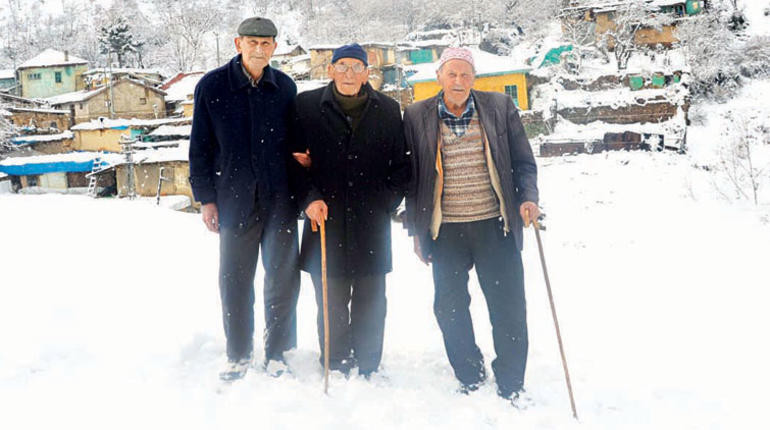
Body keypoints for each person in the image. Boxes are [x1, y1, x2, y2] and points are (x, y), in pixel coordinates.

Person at [403, 47, 541, 402]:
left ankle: (511, 380)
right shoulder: (417, 115)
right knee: (448, 307)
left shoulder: (498, 107)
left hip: (496, 226)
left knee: (508, 305)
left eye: (466, 75)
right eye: (452, 74)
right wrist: (417, 231)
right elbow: (412, 177)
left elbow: (524, 162)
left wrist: (528, 198)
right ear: (439, 78)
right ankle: (469, 372)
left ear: (474, 78)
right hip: (445, 229)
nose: (459, 81)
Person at [188, 17, 300, 381]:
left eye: (266, 43)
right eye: (252, 42)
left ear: (275, 47)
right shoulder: (213, 86)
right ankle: (238, 353)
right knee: (235, 279)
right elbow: (200, 147)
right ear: (238, 44)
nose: (259, 49)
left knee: (282, 278)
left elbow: (294, 145)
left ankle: (279, 351)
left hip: (279, 198)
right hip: (233, 198)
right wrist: (206, 198)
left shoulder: (284, 87)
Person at [291, 43, 410, 377]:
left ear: (366, 73)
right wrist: (309, 198)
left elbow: (401, 167)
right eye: (341, 66)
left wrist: (384, 202)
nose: (348, 74)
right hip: (323, 220)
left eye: (355, 67)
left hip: (371, 221)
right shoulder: (307, 106)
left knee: (372, 299)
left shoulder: (387, 109)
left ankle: (369, 361)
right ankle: (335, 358)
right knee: (330, 300)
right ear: (329, 70)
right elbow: (294, 162)